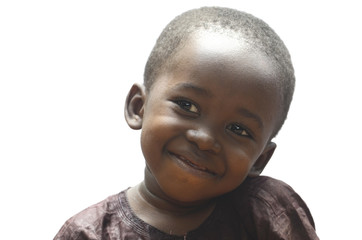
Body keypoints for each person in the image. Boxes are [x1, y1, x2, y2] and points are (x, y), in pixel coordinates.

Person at [54, 6, 319, 240]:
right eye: (187, 106)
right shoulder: (88, 233)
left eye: (238, 129)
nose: (204, 138)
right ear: (139, 107)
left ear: (260, 159)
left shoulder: (267, 211)